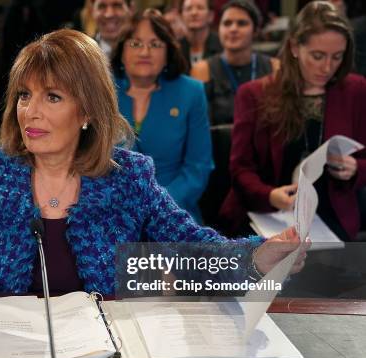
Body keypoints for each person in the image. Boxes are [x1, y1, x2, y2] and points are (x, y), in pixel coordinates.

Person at [0, 28, 304, 322]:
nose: (31, 111)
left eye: (53, 96)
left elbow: (195, 251)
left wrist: (256, 257)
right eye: (24, 95)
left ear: (86, 111)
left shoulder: (129, 176)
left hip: (107, 357)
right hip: (6, 356)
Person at [219, 1, 366, 240]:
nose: (327, 67)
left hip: (332, 216)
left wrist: (356, 168)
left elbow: (363, 158)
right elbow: (240, 169)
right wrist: (270, 195)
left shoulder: (355, 89)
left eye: (337, 57)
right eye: (317, 56)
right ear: (295, 48)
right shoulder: (255, 94)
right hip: (269, 214)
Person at [113, 9, 212, 223]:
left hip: (174, 212)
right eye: (135, 43)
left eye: (155, 44)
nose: (145, 52)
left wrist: (159, 205)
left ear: (168, 53)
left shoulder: (192, 92)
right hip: (113, 213)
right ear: (121, 51)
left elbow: (198, 167)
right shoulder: (103, 93)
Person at [190, 0, 279, 126]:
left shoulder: (275, 67)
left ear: (255, 30)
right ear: (218, 29)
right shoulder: (202, 70)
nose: (233, 29)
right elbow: (200, 125)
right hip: (219, 143)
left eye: (241, 23)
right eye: (227, 23)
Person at [179, 0, 222, 68]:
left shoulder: (222, 45)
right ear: (181, 15)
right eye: (189, 8)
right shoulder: (176, 48)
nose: (194, 13)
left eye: (200, 8)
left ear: (211, 15)